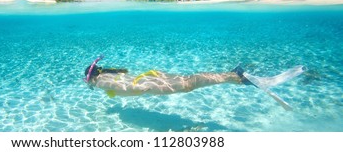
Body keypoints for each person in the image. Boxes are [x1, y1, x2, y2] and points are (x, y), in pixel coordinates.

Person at [83, 56, 306, 110]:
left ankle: (235, 76)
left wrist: (142, 89)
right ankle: (235, 77)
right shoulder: (108, 75)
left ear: (91, 78)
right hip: (151, 75)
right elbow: (123, 82)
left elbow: (125, 88)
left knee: (189, 84)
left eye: (87, 82)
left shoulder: (101, 83)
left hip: (148, 83)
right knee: (188, 80)